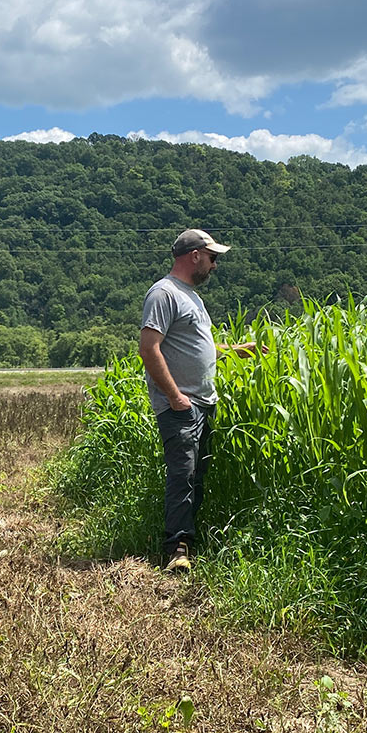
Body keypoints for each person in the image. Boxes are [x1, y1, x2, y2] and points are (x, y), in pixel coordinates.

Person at [139, 228, 259, 573]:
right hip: (182, 406)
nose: (214, 265)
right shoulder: (164, 294)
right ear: (194, 256)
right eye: (212, 258)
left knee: (197, 475)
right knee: (183, 475)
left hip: (202, 405)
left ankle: (189, 542)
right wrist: (175, 397)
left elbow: (199, 348)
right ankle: (177, 549)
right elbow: (149, 348)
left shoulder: (192, 297)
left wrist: (237, 351)